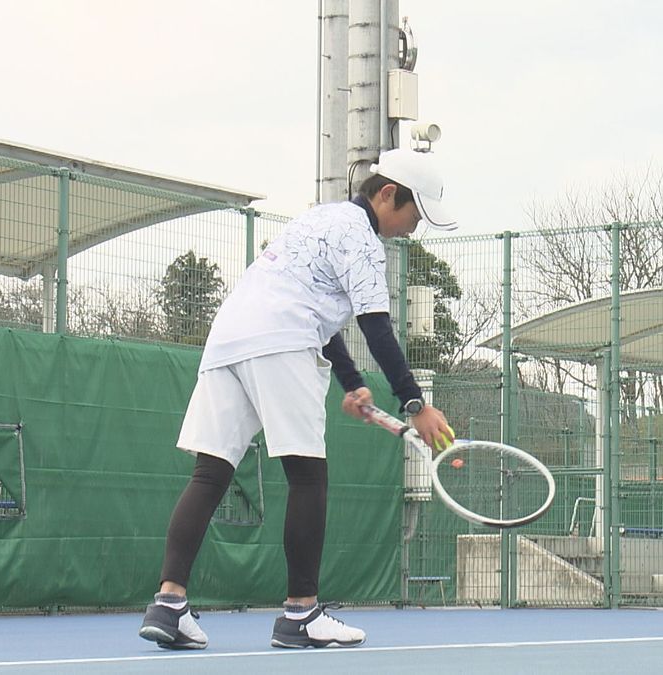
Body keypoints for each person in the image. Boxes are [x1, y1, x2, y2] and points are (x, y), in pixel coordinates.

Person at [138, 149, 457, 650]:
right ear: (388, 194)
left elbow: (320, 314)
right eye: (414, 215)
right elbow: (376, 326)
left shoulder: (315, 221)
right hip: (282, 341)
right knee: (307, 475)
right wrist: (415, 404)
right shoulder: (363, 240)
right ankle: (300, 614)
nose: (413, 229)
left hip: (227, 341)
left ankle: (169, 603)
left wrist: (351, 383)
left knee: (210, 471)